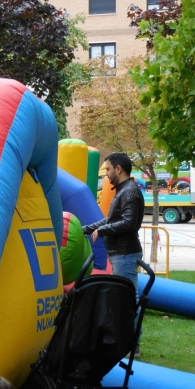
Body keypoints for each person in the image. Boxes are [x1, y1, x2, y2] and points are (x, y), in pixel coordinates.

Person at [83, 152, 145, 356]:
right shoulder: (123, 190)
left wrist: (101, 231)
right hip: (121, 253)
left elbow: (127, 223)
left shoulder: (129, 192)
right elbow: (110, 220)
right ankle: (128, 342)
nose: (107, 174)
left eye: (108, 169)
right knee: (125, 297)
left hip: (125, 254)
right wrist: (87, 228)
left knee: (128, 297)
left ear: (119, 169)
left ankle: (132, 345)